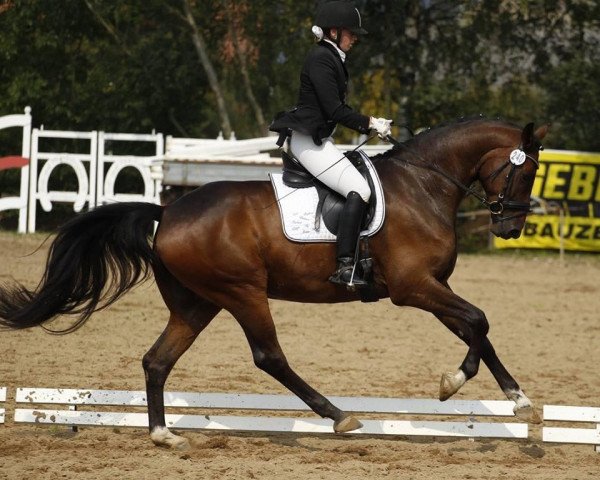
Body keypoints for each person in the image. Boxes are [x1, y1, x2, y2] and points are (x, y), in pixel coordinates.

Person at [270, 0, 393, 287]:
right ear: (335, 32)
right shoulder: (321, 58)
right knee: (359, 189)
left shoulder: (332, 58)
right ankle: (345, 265)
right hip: (307, 142)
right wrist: (371, 123)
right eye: (351, 33)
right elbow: (334, 110)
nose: (355, 39)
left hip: (317, 139)